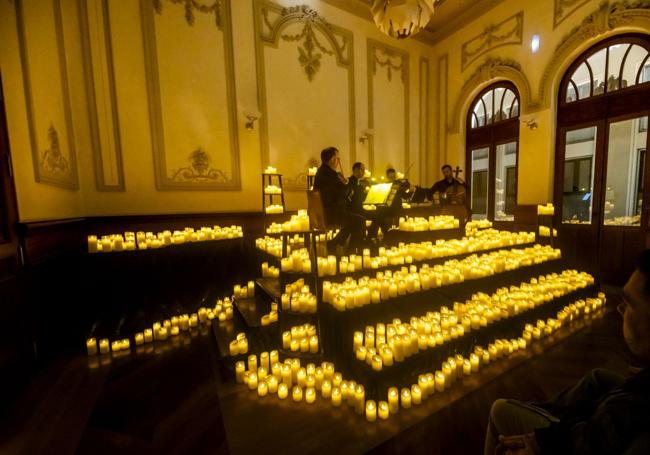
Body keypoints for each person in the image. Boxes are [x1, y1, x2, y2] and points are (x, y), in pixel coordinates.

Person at [484, 250, 650, 455]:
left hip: (572, 440)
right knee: (597, 378)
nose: (620, 310)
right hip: (582, 430)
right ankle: (544, 409)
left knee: (499, 409)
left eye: (630, 304)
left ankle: (542, 414)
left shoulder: (627, 410)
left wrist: (538, 445)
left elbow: (584, 440)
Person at [312, 147, 365, 252]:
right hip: (331, 214)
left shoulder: (321, 172)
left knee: (353, 220)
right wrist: (347, 186)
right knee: (359, 220)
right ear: (332, 159)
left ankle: (334, 243)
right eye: (338, 158)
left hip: (323, 213)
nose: (338, 161)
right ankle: (352, 251)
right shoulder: (330, 175)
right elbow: (343, 193)